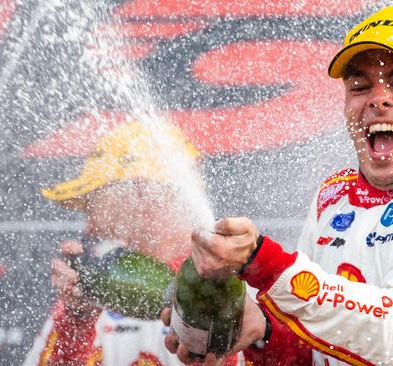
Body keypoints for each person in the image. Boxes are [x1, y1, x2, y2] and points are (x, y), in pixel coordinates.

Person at [163, 5, 393, 366]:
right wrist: (263, 334)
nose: (378, 99)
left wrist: (264, 263)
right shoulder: (334, 198)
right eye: (360, 86)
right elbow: (318, 348)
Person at [24, 121, 241, 365]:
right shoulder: (92, 291)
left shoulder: (236, 288)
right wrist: (77, 319)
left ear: (144, 199)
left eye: (96, 206)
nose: (90, 227)